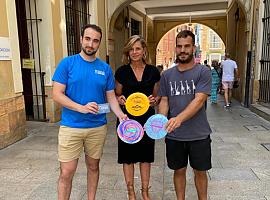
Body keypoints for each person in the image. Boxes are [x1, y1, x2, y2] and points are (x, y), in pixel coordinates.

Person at [52, 24, 127, 200]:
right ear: (81, 39)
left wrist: (121, 115)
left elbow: (110, 98)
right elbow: (56, 94)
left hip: (97, 128)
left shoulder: (105, 69)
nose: (90, 44)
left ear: (99, 43)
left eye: (95, 40)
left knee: (93, 167)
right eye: (87, 39)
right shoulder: (67, 64)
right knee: (66, 172)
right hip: (71, 127)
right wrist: (81, 108)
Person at [158, 30, 212, 200]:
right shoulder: (166, 75)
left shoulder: (203, 72)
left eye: (187, 46)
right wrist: (160, 121)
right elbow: (164, 101)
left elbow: (199, 100)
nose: (183, 50)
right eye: (179, 46)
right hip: (175, 135)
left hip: (199, 133)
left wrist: (178, 119)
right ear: (175, 48)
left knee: (200, 172)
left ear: (193, 48)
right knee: (178, 170)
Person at [115, 35, 160, 200]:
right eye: (131, 49)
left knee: (145, 156)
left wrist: (155, 100)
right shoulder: (121, 71)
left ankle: (145, 192)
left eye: (138, 49)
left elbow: (157, 97)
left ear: (144, 51)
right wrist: (119, 99)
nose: (134, 52)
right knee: (128, 158)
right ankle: (131, 192)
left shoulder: (153, 71)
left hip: (147, 120)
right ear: (128, 52)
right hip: (127, 120)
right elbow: (117, 94)